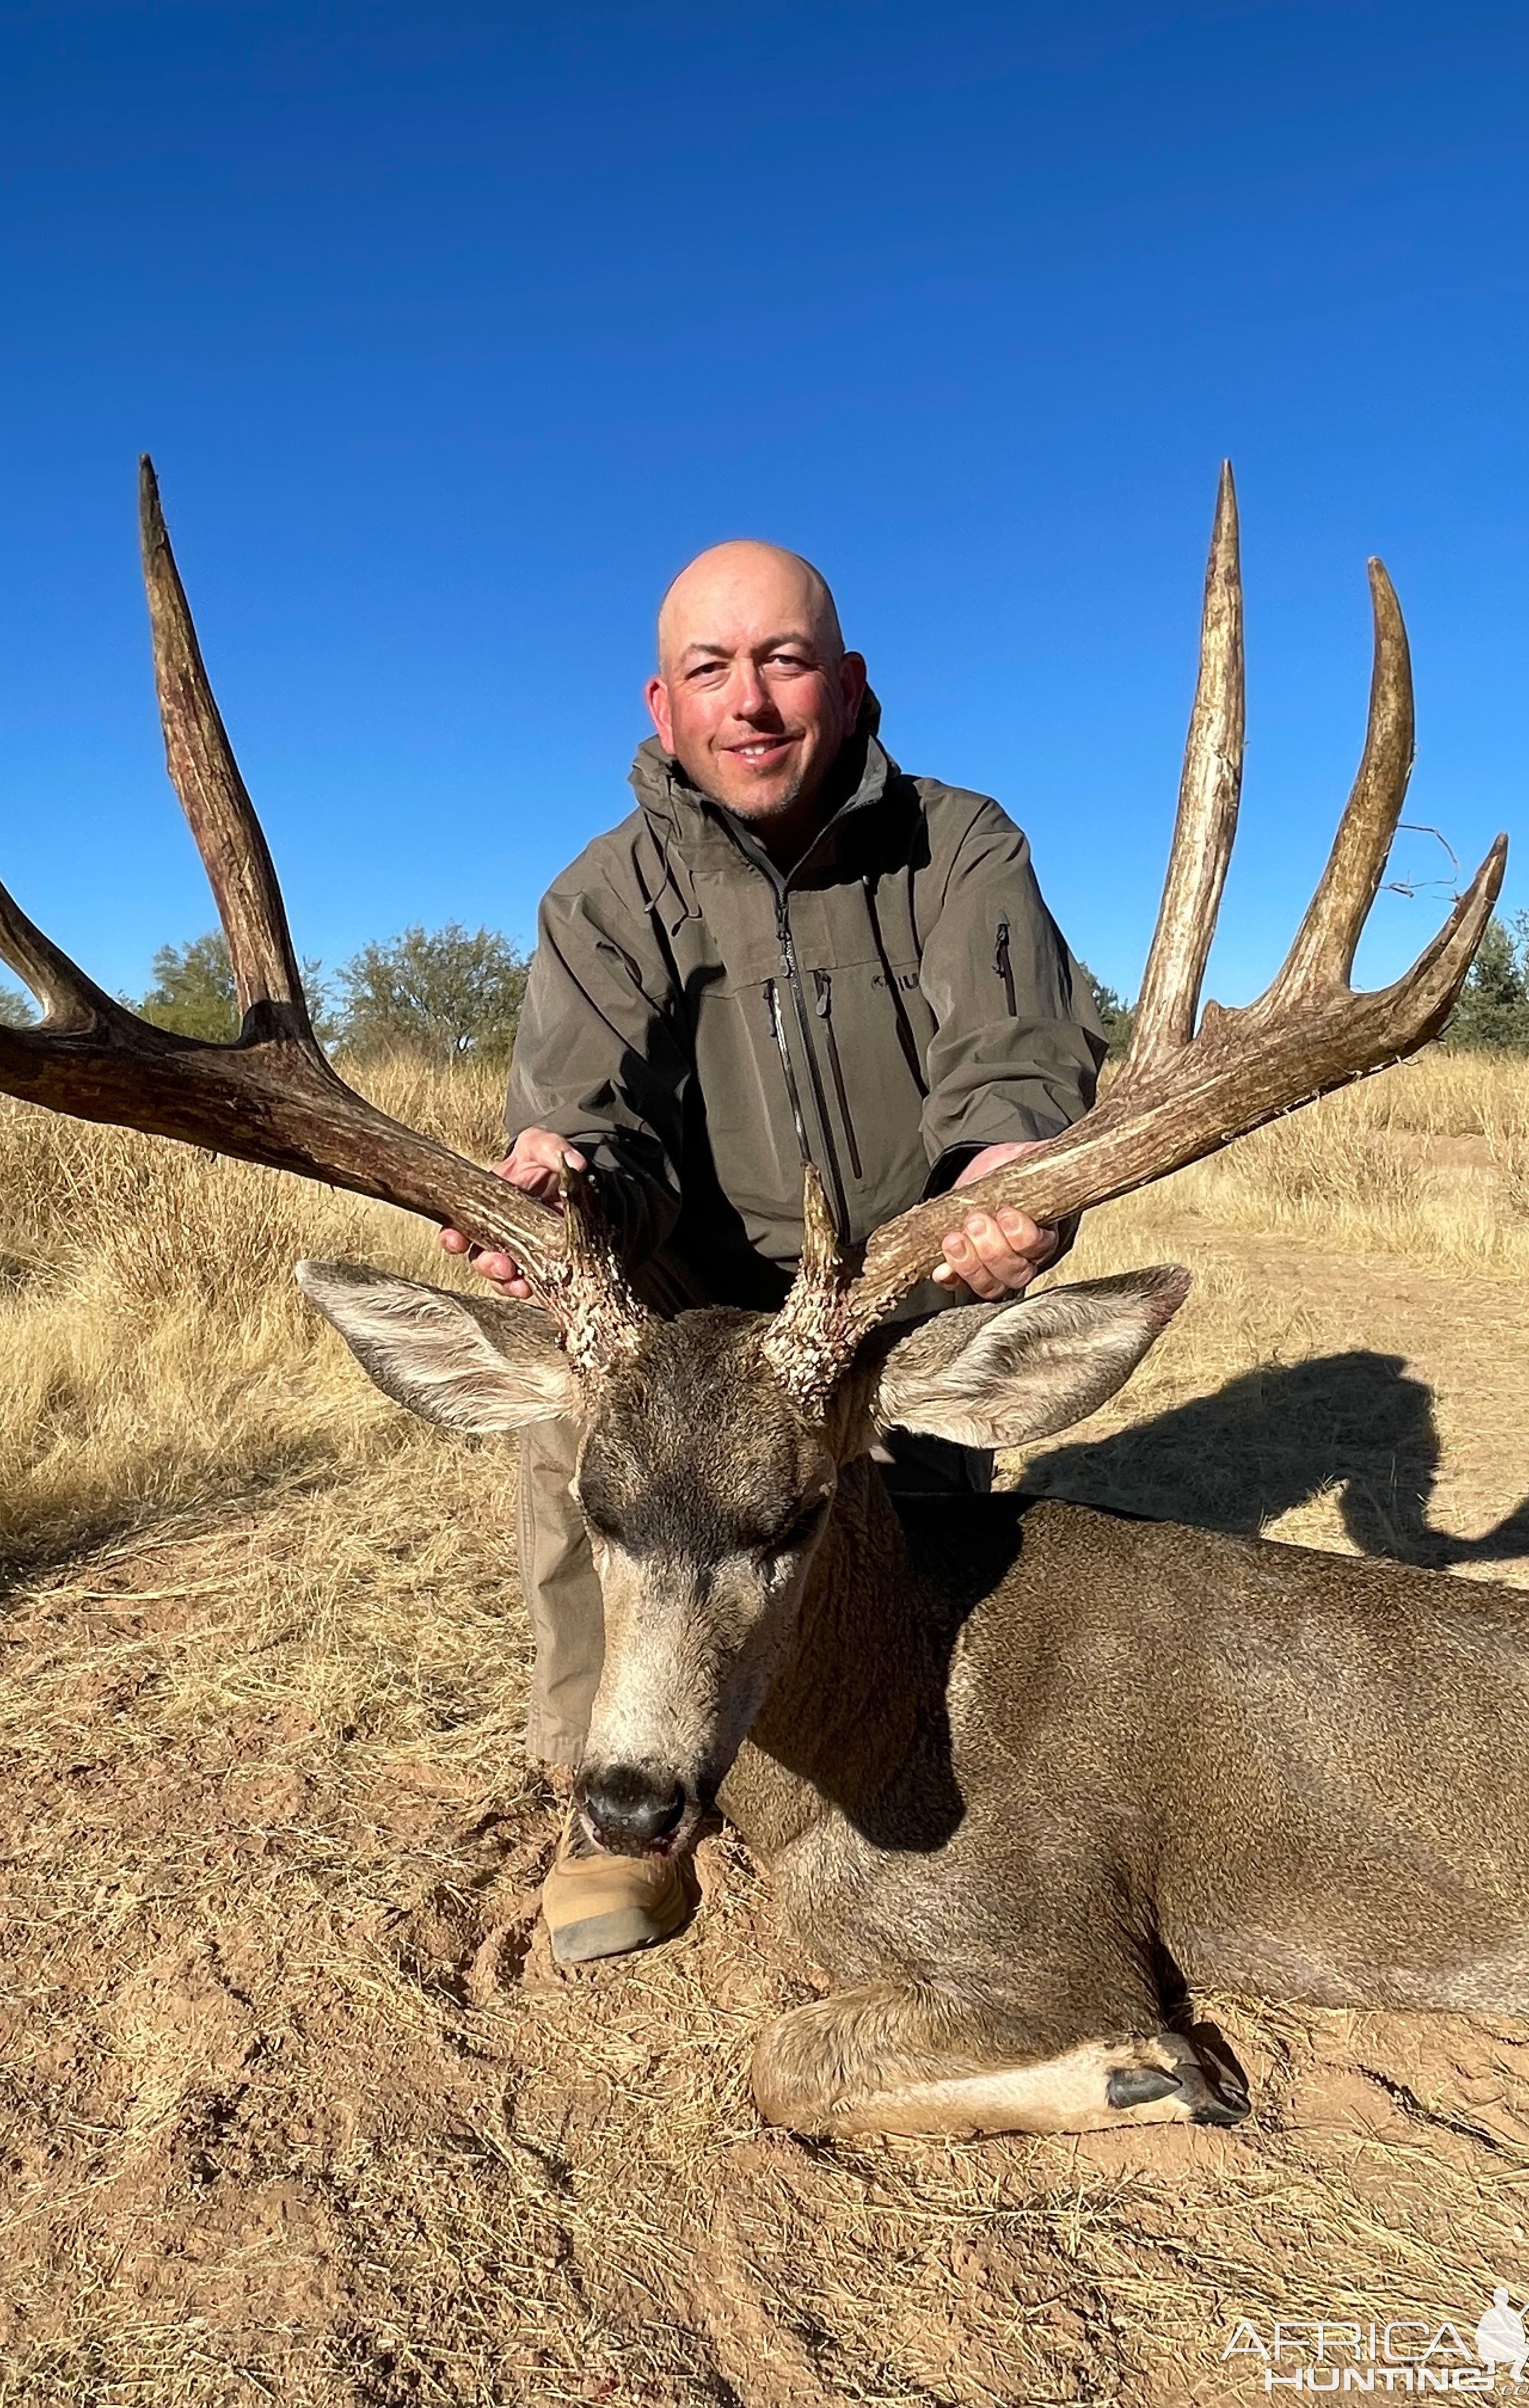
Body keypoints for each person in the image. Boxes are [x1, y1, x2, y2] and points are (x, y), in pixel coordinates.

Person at [440, 539, 1106, 1963]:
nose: (748, 702)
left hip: (877, 1302)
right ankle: (600, 1796)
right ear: (661, 701)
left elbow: (1015, 1060)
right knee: (593, 1451)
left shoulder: (959, 845)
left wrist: (1005, 1172)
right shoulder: (604, 896)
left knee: (910, 1557)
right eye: (709, 670)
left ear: (847, 682)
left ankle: (893, 1754)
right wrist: (565, 1189)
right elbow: (586, 1113)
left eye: (783, 661)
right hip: (685, 1311)